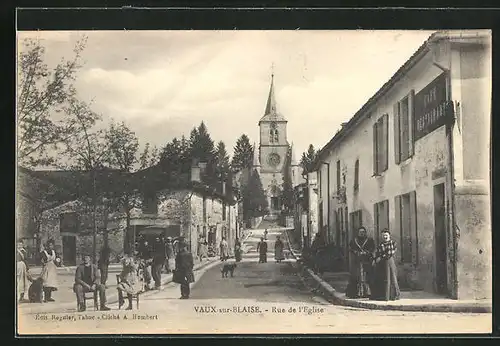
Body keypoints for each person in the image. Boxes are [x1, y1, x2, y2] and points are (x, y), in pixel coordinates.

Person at [370, 229, 401, 301]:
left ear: (389, 235)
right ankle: (383, 295)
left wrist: (380, 257)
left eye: (386, 235)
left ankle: (392, 295)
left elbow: (389, 253)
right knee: (383, 278)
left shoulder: (393, 243)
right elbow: (377, 252)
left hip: (389, 262)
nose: (385, 237)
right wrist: (375, 259)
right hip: (382, 264)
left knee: (391, 277)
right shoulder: (381, 244)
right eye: (383, 235)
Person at [345, 226, 376, 299]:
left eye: (363, 232)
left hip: (367, 261)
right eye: (360, 232)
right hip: (357, 262)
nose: (362, 233)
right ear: (358, 233)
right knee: (356, 277)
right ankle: (357, 293)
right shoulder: (354, 241)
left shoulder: (370, 240)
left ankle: (367, 292)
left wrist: (366, 252)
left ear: (365, 233)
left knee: (367, 277)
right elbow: (350, 249)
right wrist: (356, 252)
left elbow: (372, 249)